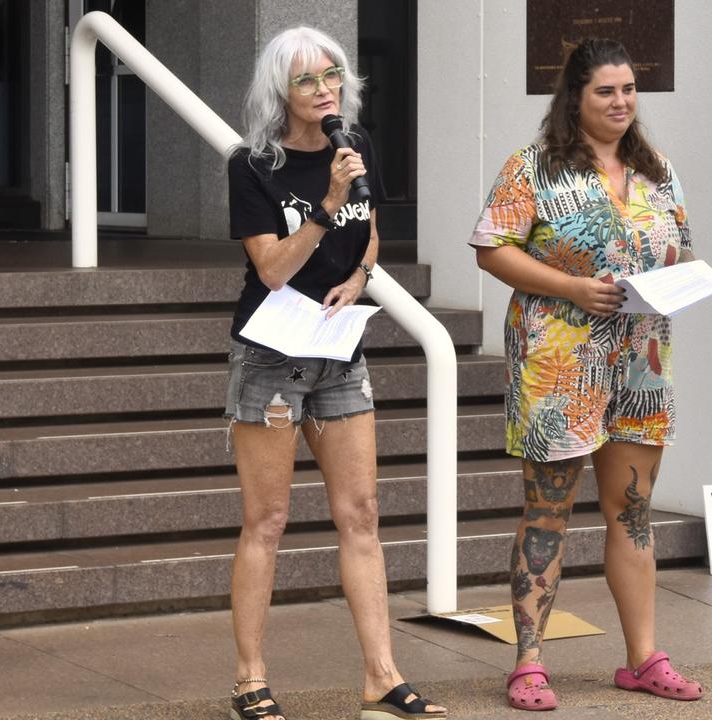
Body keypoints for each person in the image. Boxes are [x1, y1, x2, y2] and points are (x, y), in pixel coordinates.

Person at [469, 38, 705, 711]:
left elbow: (682, 251)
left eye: (629, 90)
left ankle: (643, 659)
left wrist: (679, 281)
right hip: (559, 362)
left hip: (641, 360)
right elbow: (491, 249)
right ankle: (529, 663)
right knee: (548, 507)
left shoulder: (657, 170)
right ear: (575, 97)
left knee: (632, 510)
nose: (622, 102)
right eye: (606, 91)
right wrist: (571, 288)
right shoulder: (534, 167)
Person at [224, 26, 446, 720]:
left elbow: (371, 227)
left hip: (339, 347)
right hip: (271, 357)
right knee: (268, 520)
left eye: (332, 75)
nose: (325, 90)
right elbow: (272, 268)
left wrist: (361, 275)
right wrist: (323, 204)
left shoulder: (358, 146)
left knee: (362, 514)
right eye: (307, 81)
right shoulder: (253, 165)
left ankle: (381, 675)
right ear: (280, 93)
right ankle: (249, 679)